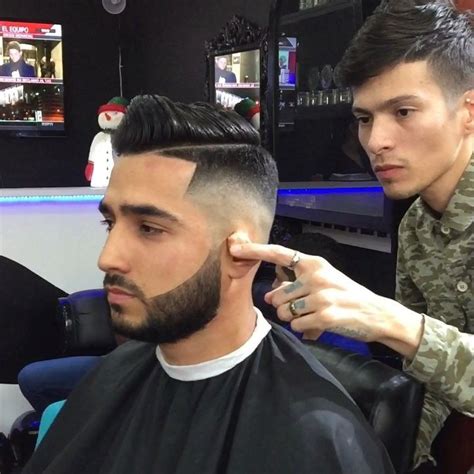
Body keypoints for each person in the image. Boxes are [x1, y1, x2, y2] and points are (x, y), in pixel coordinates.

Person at [23, 95, 394, 474]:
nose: (108, 257)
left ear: (242, 254)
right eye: (110, 224)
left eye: (149, 228)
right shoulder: (115, 375)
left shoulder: (317, 441)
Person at [229, 1, 473, 470]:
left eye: (403, 111)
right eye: (365, 118)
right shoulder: (419, 228)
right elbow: (434, 387)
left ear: (468, 111)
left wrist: (386, 318)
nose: (376, 140)